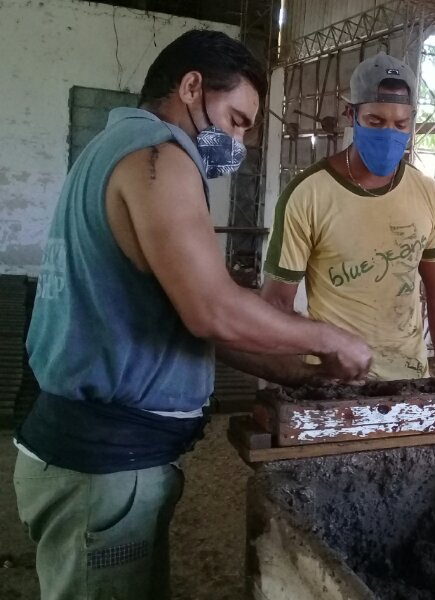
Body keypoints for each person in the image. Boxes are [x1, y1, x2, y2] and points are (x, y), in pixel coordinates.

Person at [13, 30, 372, 600]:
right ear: (190, 87)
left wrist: (293, 373)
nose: (240, 141)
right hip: (103, 466)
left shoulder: (114, 148)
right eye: (236, 120)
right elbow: (211, 309)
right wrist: (332, 339)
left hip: (104, 460)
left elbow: (183, 311)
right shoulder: (159, 157)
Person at [261, 53, 435, 381]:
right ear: (350, 115)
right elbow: (275, 305)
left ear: (413, 121)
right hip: (337, 390)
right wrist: (311, 364)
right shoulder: (308, 195)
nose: (389, 134)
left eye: (401, 124)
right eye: (376, 121)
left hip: (411, 385)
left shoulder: (429, 195)